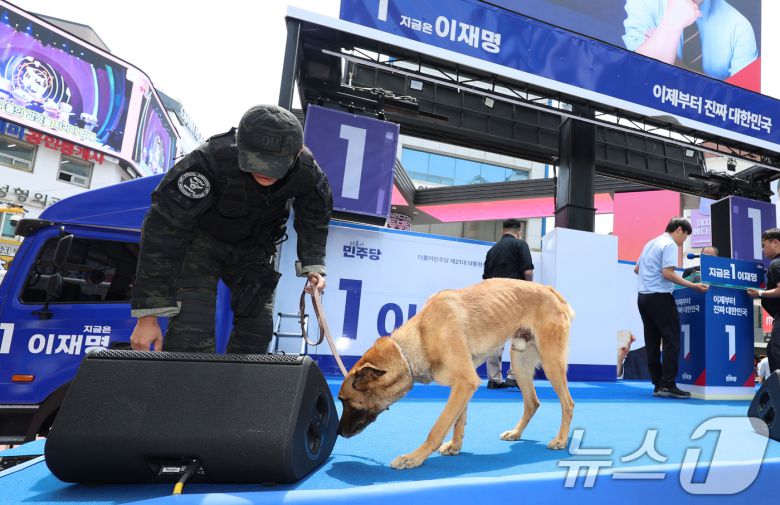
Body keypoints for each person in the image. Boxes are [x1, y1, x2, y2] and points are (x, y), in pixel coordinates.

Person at [130, 105, 333, 354]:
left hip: (254, 252)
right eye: (255, 162)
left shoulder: (306, 172)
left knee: (257, 333)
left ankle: (239, 391)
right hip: (201, 248)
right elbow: (162, 230)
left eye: (273, 165)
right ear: (240, 146)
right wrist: (148, 316)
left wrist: (313, 264)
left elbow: (315, 217)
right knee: (190, 334)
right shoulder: (209, 161)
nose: (263, 171)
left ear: (295, 154)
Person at [635, 217, 708, 398]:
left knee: (652, 342)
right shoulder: (669, 245)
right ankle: (668, 384)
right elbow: (667, 273)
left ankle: (658, 384)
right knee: (672, 339)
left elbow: (637, 268)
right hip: (660, 297)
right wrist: (693, 286)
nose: (684, 241)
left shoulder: (651, 243)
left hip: (643, 297)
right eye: (686, 237)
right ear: (680, 229)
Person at [622, 0, 758, 80]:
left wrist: (675, 64)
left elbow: (742, 105)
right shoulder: (645, 2)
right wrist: (672, 22)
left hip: (708, 126)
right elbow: (640, 74)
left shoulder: (740, 28)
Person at [482, 218, 534, 389]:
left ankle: (494, 379)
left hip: (494, 299)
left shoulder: (492, 250)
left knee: (495, 340)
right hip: (514, 298)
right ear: (518, 231)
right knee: (519, 337)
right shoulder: (520, 245)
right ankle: (514, 376)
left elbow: (485, 279)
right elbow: (528, 270)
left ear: (503, 231)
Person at [747, 228, 780, 374]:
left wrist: (760, 293)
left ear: (775, 243)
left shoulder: (776, 264)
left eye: (764, 244)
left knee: (776, 351)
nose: (762, 249)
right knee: (771, 349)